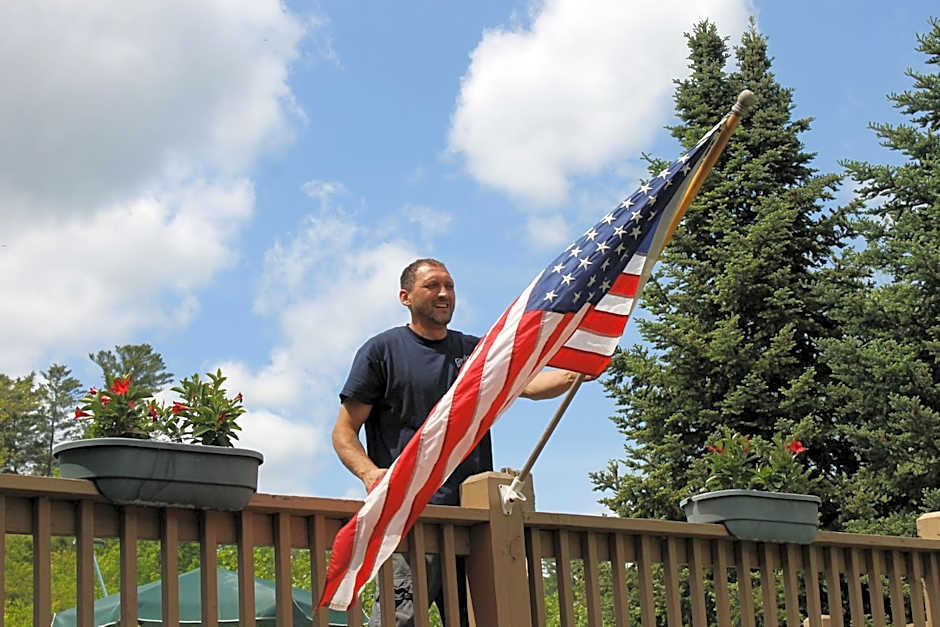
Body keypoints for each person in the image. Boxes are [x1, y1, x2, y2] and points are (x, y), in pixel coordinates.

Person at [332, 258, 588, 627]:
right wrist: (371, 475)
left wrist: (576, 372)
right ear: (405, 296)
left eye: (449, 286)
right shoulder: (382, 352)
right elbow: (343, 432)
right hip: (413, 517)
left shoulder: (477, 352)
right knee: (399, 618)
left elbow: (528, 384)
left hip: (477, 521)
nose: (444, 294)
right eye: (432, 286)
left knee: (489, 618)